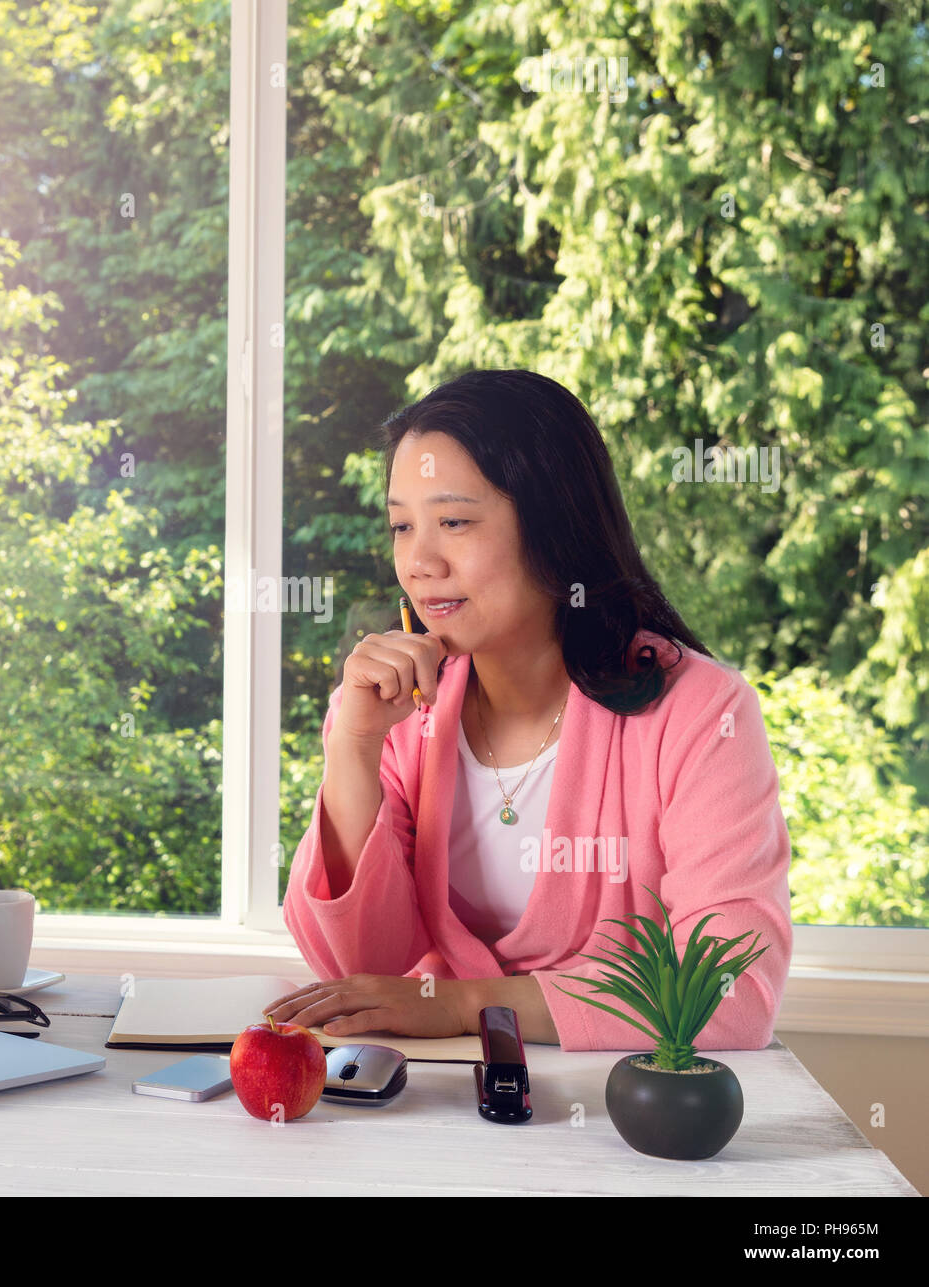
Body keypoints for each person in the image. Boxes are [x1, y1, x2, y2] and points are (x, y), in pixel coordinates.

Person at [267, 370, 793, 1050]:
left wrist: (469, 1005)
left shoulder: (700, 713)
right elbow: (362, 968)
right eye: (402, 525)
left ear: (554, 525)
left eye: (453, 521)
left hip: (619, 1116)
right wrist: (353, 747)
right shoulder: (397, 713)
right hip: (431, 1095)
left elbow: (730, 992)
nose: (419, 562)